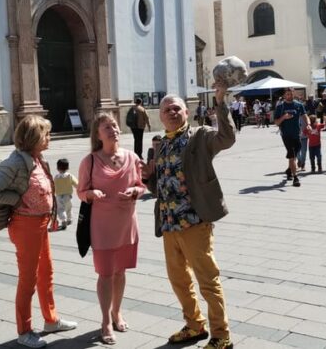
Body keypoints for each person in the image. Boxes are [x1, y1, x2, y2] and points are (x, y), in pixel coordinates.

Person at [142, 84, 235, 349]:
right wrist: (149, 179)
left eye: (176, 108)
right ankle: (194, 325)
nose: (171, 112)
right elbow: (161, 185)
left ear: (187, 112)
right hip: (169, 224)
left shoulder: (200, 136)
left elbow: (226, 139)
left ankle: (221, 334)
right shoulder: (160, 145)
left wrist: (220, 102)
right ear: (160, 116)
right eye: (166, 109)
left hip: (194, 221)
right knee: (179, 280)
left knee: (207, 279)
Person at [0, 115, 77, 348]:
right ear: (34, 137)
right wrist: (16, 200)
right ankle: (24, 331)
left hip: (41, 224)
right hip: (26, 227)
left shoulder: (37, 158)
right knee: (29, 279)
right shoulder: (15, 162)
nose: (49, 137)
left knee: (47, 272)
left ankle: (51, 320)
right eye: (46, 133)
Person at [77, 113, 146, 345]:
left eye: (114, 125)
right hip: (102, 227)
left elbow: (141, 185)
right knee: (105, 274)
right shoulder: (90, 161)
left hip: (127, 224)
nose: (113, 129)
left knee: (120, 272)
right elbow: (81, 192)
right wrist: (90, 194)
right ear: (97, 134)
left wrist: (136, 192)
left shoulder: (132, 156)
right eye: (106, 127)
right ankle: (105, 320)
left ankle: (117, 312)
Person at [274, 88, 309, 186]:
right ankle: (295, 178)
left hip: (297, 134)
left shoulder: (298, 105)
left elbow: (305, 115)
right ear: (284, 95)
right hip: (286, 134)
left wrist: (308, 124)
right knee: (293, 156)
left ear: (294, 94)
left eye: (291, 94)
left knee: (295, 153)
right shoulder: (280, 107)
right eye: (287, 94)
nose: (289, 96)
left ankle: (289, 170)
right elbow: (276, 122)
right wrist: (284, 117)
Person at [53, 158, 78, 230]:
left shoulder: (56, 177)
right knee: (68, 208)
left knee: (60, 209)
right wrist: (79, 188)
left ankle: (63, 220)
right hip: (67, 196)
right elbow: (76, 184)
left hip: (58, 196)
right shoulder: (69, 176)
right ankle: (69, 219)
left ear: (57, 168)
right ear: (67, 167)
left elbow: (53, 186)